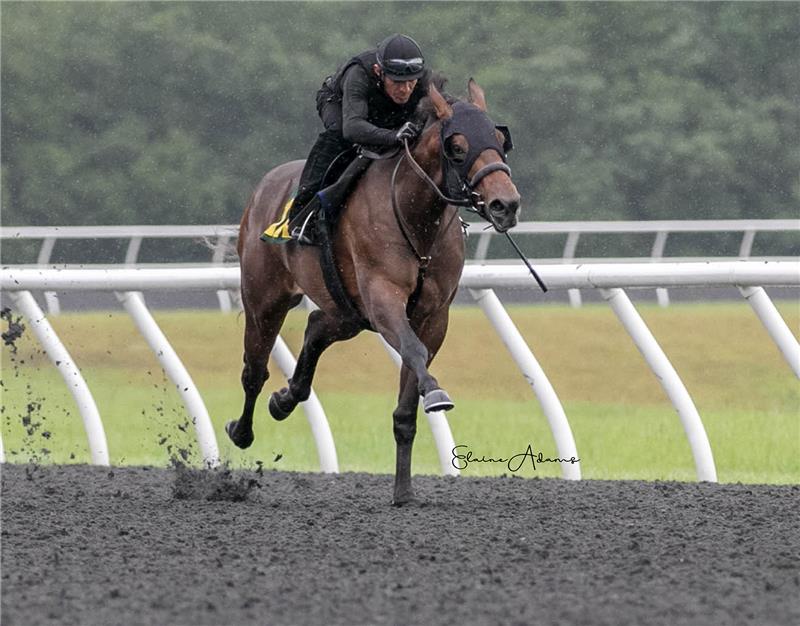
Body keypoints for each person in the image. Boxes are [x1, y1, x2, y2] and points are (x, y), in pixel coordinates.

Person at [262, 34, 432, 244]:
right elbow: (353, 128)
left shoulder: (422, 79)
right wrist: (393, 135)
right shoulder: (358, 75)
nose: (405, 89)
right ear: (379, 72)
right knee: (339, 135)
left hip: (381, 110)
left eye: (410, 82)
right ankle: (303, 213)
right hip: (339, 105)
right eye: (397, 82)